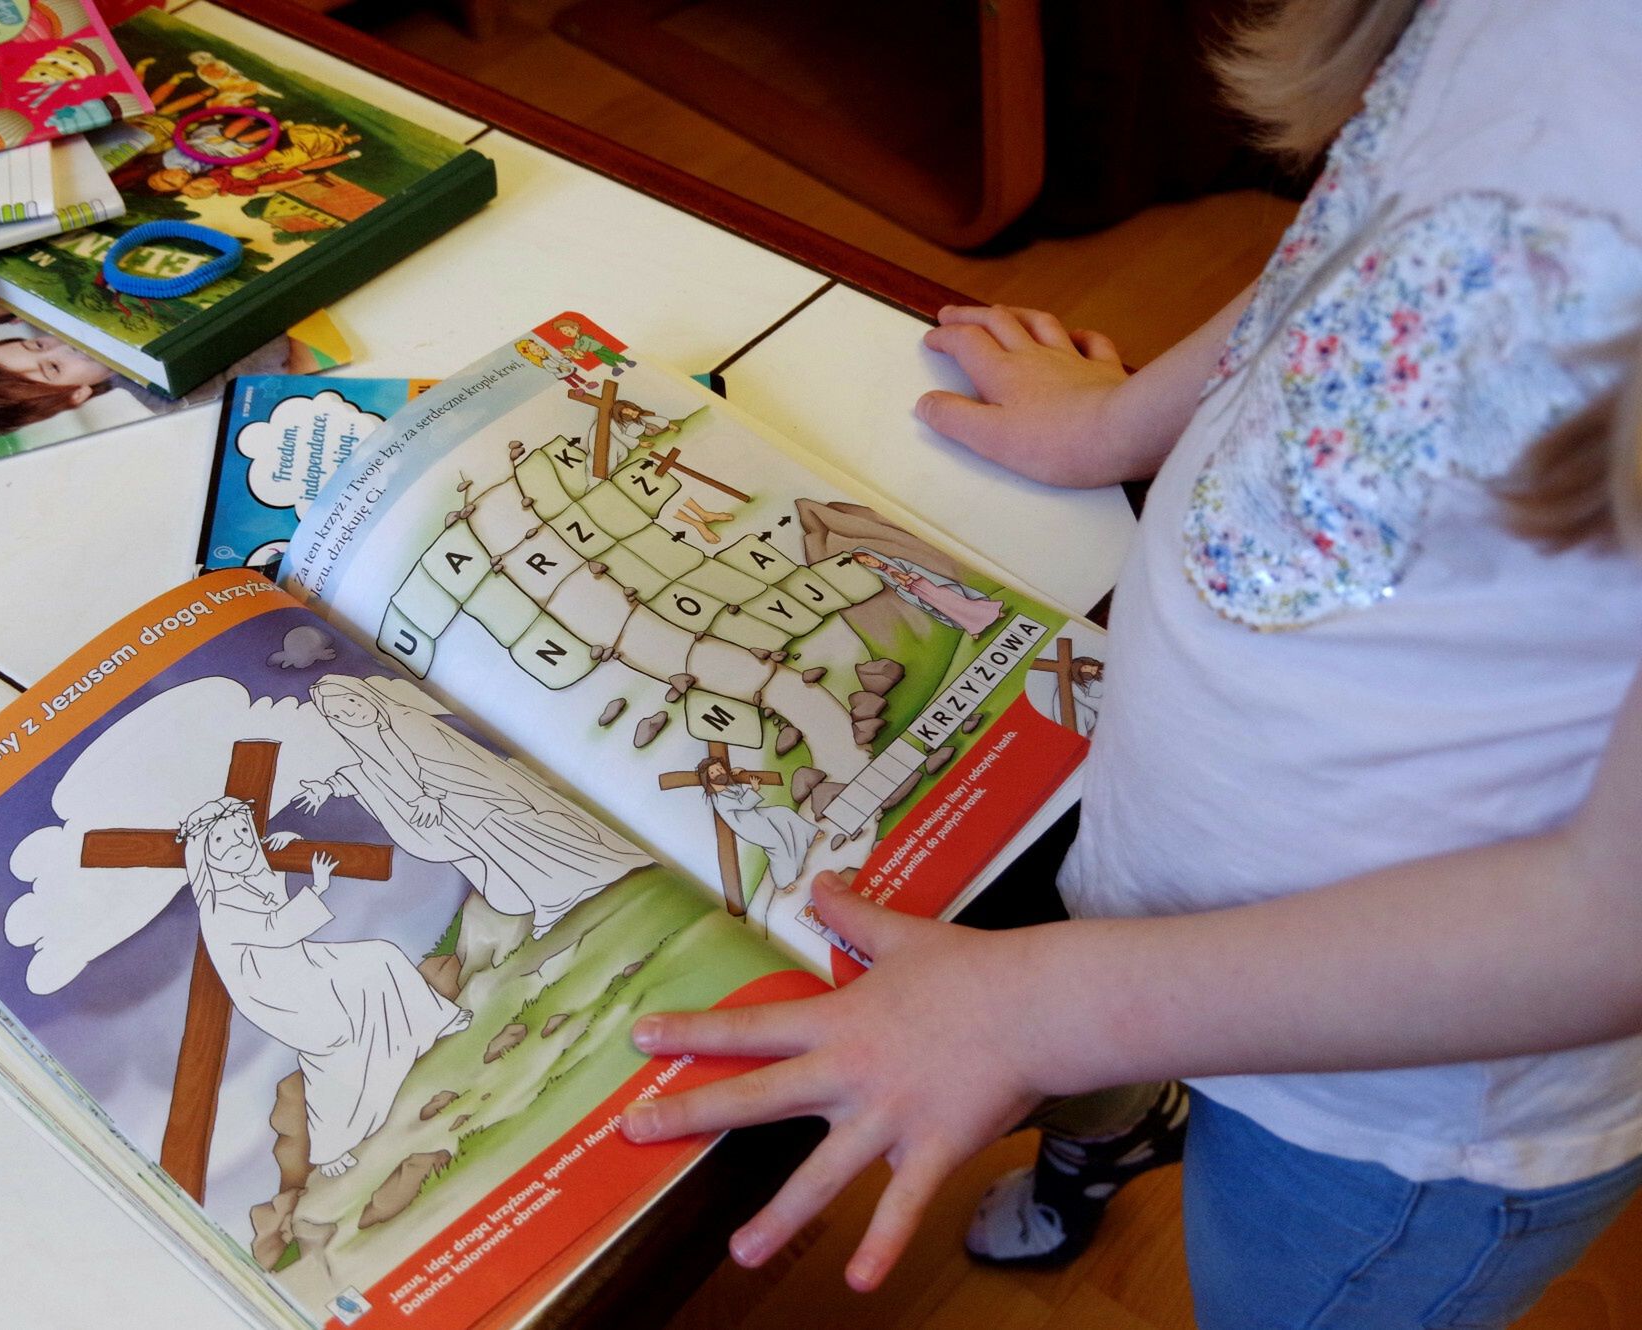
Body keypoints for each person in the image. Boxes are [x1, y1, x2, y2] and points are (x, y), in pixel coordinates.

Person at [617, 2, 1642, 1325]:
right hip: (1162, 893)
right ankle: (1111, 1132)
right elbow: (1366, 239)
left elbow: (1605, 925)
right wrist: (1118, 422)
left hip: (1389, 1121)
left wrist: (1037, 1009)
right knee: (1096, 1030)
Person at [177, 796, 471, 1178]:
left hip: (308, 964)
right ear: (205, 853)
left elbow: (270, 882)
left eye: (241, 832)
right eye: (221, 840)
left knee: (380, 956)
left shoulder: (249, 872)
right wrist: (316, 888)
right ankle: (331, 1146)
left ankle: (436, 1020)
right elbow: (276, 929)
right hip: (279, 995)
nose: (237, 843)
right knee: (334, 1040)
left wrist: (288, 844)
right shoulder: (219, 909)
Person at [294, 676, 651, 938]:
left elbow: (438, 760)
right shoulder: (370, 742)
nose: (352, 713)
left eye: (351, 702)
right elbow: (371, 773)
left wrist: (428, 794)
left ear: (364, 696)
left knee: (520, 836)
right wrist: (329, 786)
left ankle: (583, 877)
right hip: (455, 814)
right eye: (340, 714)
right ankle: (553, 898)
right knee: (500, 853)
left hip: (472, 796)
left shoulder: (405, 720)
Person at [0, 320, 329, 435]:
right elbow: (268, 360)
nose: (62, 347)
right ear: (76, 394)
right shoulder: (171, 400)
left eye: (38, 344)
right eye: (53, 368)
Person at [695, 754, 821, 895]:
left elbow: (738, 791)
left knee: (782, 812)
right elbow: (743, 804)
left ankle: (810, 833)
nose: (719, 773)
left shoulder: (727, 785)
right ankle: (783, 882)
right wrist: (754, 789)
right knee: (776, 844)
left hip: (755, 814)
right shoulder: (717, 798)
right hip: (748, 825)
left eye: (720, 769)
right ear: (707, 777)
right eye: (713, 772)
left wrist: (739, 771)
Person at [848, 549, 1007, 638]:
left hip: (931, 586)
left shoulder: (897, 561)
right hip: (922, 594)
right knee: (948, 610)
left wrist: (912, 577)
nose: (870, 562)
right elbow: (897, 588)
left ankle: (992, 613)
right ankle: (973, 628)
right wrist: (904, 586)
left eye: (868, 558)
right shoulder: (883, 576)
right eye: (866, 563)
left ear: (872, 555)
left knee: (958, 602)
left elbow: (917, 570)